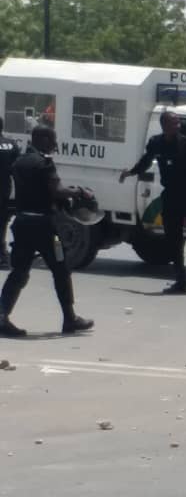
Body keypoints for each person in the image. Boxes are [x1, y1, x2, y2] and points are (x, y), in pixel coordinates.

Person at [0, 126, 94, 336]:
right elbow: (57, 191)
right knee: (61, 270)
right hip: (45, 227)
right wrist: (79, 191)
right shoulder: (44, 163)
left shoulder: (19, 161)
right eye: (52, 140)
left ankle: (2, 316)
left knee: (19, 272)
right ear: (42, 139)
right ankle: (70, 319)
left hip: (22, 223)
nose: (55, 145)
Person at [120, 110, 186, 295]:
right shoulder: (156, 143)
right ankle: (181, 282)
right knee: (174, 240)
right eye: (174, 123)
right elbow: (146, 162)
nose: (178, 126)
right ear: (164, 125)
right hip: (171, 197)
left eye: (178, 123)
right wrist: (130, 172)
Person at [0, 120, 21, 269]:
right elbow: (17, 171)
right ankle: (2, 255)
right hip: (4, 189)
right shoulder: (11, 144)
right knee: (1, 222)